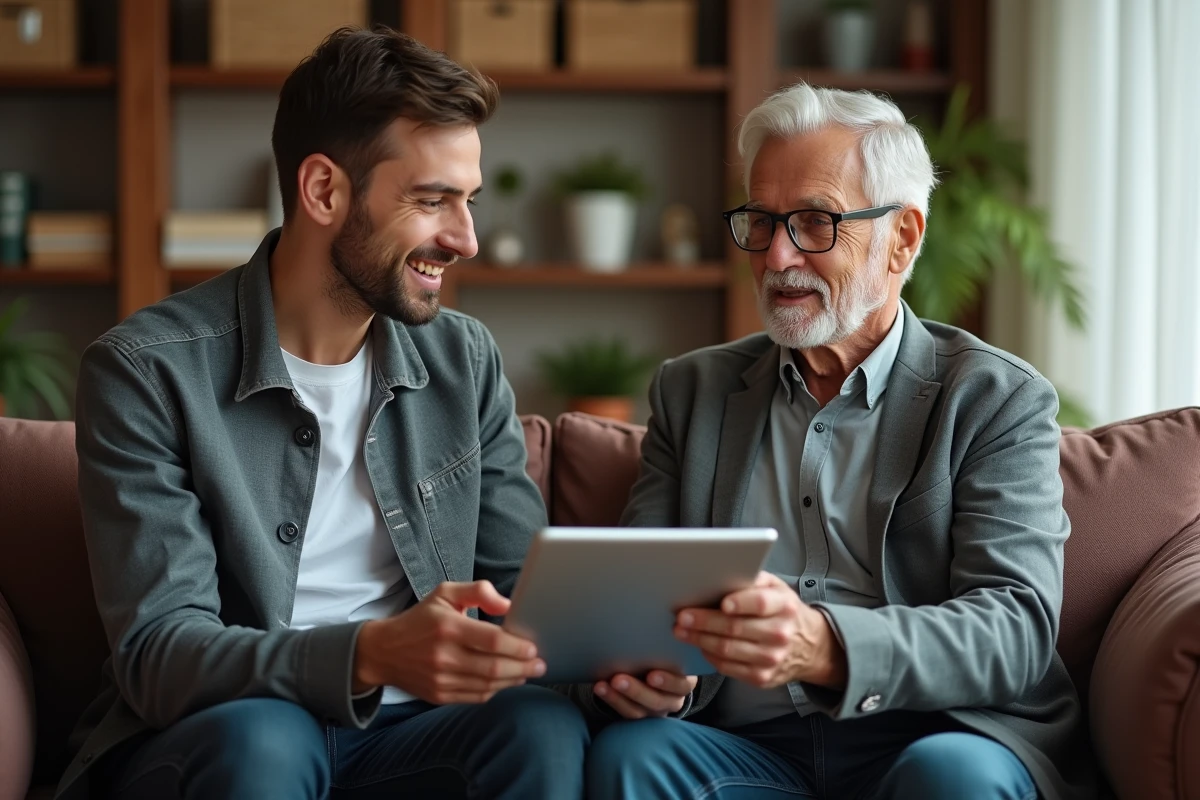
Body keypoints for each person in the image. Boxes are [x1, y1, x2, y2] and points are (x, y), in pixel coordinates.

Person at [59, 28, 588, 800]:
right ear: (324, 191)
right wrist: (369, 654)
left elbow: (524, 597)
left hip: (412, 731)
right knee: (268, 741)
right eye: (432, 200)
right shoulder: (146, 370)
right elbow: (159, 654)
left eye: (468, 202)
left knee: (541, 727)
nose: (466, 239)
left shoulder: (463, 358)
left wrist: (626, 671)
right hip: (227, 730)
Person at [582, 83, 1096, 800]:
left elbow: (1013, 628)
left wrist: (824, 646)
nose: (777, 256)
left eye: (815, 222)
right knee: (633, 755)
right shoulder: (692, 390)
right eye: (762, 221)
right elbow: (638, 594)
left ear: (903, 238)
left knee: (952, 777)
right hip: (747, 745)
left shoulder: (992, 397)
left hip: (932, 732)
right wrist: (652, 673)